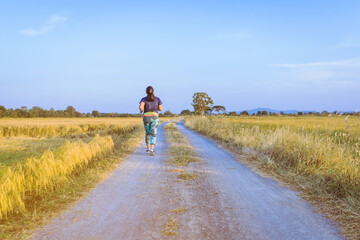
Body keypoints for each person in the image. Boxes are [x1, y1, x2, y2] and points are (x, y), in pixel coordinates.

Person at [139, 86, 163, 156]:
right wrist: (155, 108)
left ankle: (148, 148)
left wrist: (141, 110)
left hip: (146, 117)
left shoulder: (143, 99)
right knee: (153, 132)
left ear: (146, 92)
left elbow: (141, 107)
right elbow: (161, 109)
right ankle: (152, 149)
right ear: (153, 91)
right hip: (155, 117)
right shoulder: (157, 99)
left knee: (147, 132)